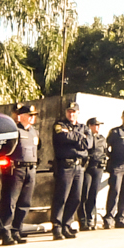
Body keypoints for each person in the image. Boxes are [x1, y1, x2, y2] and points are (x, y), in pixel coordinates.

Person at [1, 104, 38, 244]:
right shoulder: (14, 131)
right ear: (21, 116)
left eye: (33, 115)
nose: (32, 118)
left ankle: (16, 230)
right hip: (16, 169)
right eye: (30, 115)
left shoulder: (34, 131)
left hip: (31, 169)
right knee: (10, 201)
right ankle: (5, 232)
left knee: (24, 202)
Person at [51, 99, 85, 238]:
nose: (71, 114)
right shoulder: (59, 125)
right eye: (69, 112)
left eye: (74, 112)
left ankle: (67, 225)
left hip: (79, 166)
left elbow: (88, 144)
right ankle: (57, 227)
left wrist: (72, 136)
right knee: (61, 197)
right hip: (65, 165)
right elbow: (61, 137)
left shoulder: (83, 127)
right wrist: (79, 138)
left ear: (78, 113)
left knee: (75, 198)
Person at [81, 117, 109, 230]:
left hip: (98, 167)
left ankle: (90, 218)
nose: (97, 127)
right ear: (89, 126)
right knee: (85, 194)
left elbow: (106, 151)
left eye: (98, 125)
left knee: (93, 194)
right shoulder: (85, 137)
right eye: (95, 125)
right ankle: (83, 219)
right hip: (88, 167)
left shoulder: (102, 138)